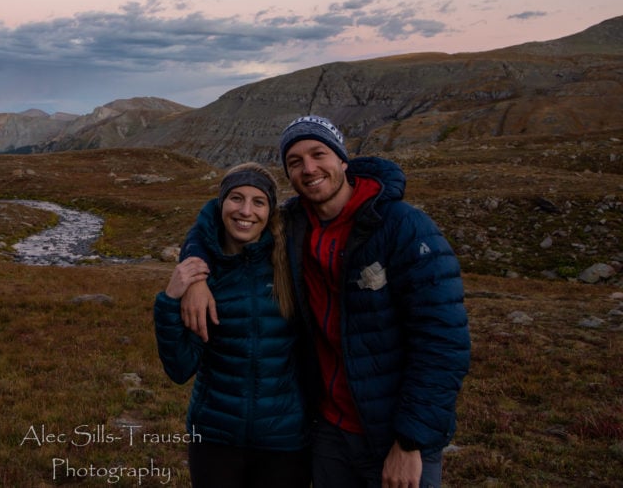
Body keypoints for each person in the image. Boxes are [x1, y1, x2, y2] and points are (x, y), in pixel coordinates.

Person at [179, 116, 471, 488]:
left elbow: (443, 342)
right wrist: (195, 277)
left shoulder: (403, 226)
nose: (309, 168)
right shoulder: (293, 225)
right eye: (295, 162)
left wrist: (410, 442)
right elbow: (214, 218)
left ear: (343, 160)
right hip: (329, 432)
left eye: (318, 154)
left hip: (392, 434)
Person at [154, 162, 311, 488]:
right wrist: (170, 299)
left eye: (258, 201)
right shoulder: (205, 273)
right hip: (214, 436)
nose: (246, 211)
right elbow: (180, 368)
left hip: (284, 440)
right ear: (221, 204)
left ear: (270, 211)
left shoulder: (290, 260)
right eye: (236, 198)